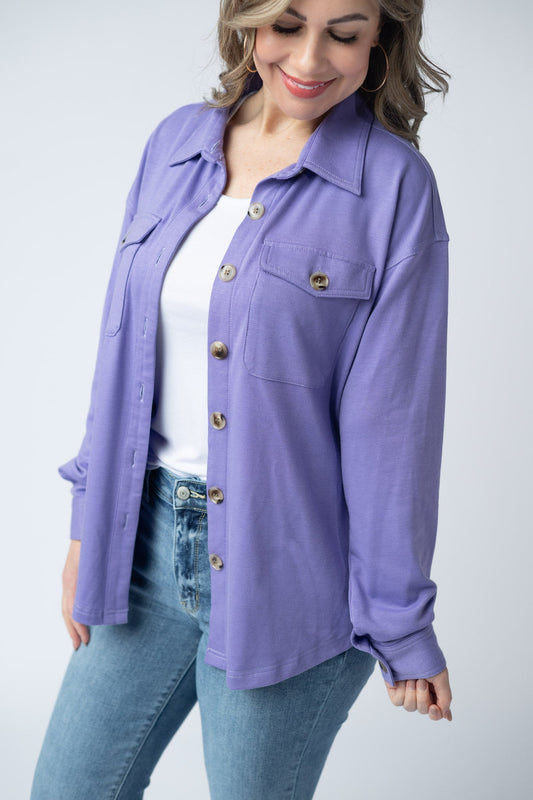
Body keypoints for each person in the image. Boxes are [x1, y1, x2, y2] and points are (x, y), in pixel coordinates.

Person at [31, 0, 453, 797]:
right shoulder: (175, 143)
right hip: (142, 550)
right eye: (286, 25)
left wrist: (400, 623)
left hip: (293, 574)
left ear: (380, 38)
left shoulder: (394, 188)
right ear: (246, 22)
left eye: (344, 34)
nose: (310, 59)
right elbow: (121, 352)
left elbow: (392, 427)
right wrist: (90, 528)